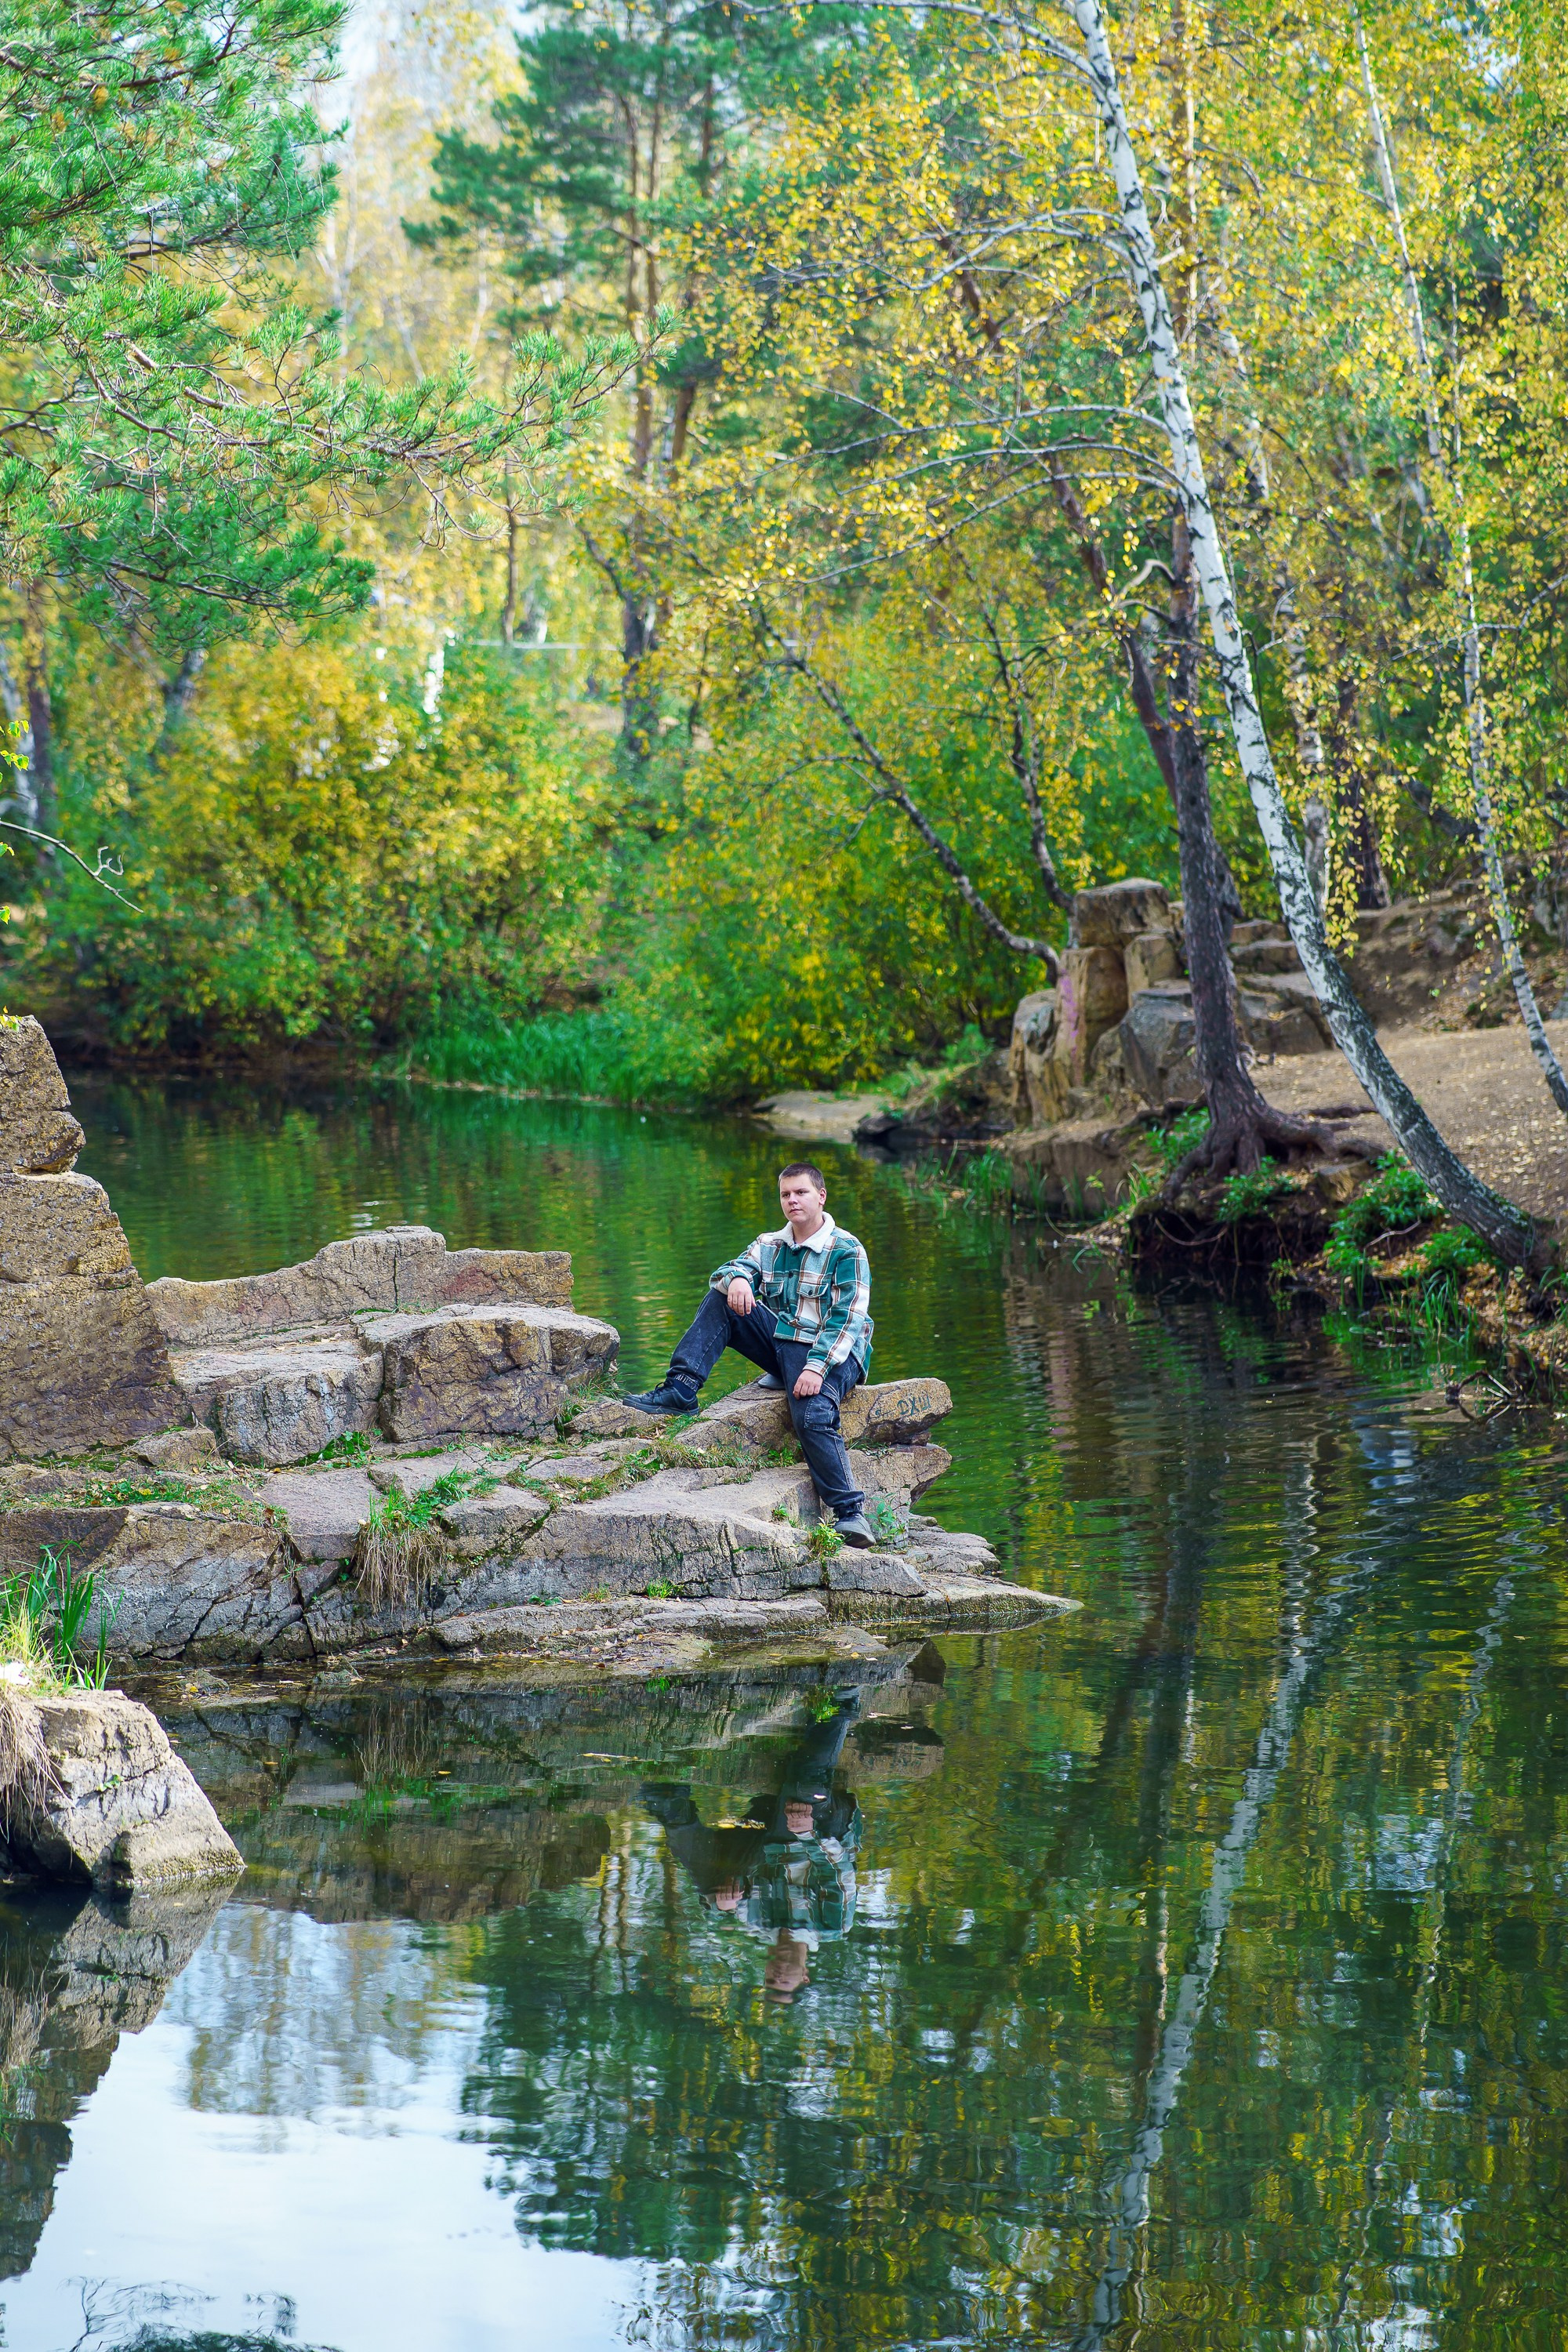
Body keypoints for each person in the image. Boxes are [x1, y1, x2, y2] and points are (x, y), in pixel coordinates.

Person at [626, 1160, 877, 1548]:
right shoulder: (771, 1244)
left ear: (821, 1196)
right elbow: (733, 1267)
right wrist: (740, 1278)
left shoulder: (846, 1249)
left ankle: (850, 1514)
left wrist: (814, 1368)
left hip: (837, 1351)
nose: (792, 1201)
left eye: (801, 1193)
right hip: (786, 1341)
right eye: (785, 1194)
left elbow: (847, 1321)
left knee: (810, 1414)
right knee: (722, 1296)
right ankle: (681, 1390)